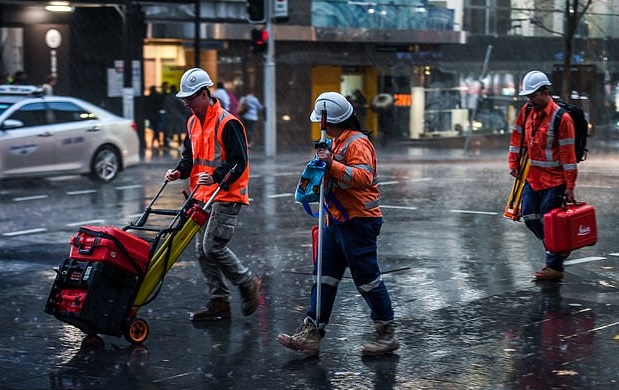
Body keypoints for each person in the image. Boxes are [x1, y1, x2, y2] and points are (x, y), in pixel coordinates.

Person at [277, 91, 399, 357]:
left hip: (358, 222)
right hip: (335, 220)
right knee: (323, 277)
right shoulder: (336, 142)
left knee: (367, 279)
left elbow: (363, 177)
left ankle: (386, 332)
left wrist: (331, 164)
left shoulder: (358, 143)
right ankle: (312, 332)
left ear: (330, 121)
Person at [164, 68, 262, 321]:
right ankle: (219, 302)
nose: (186, 103)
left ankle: (248, 282)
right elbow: (191, 157)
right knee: (201, 251)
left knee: (212, 247)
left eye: (190, 97)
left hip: (226, 193)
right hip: (202, 194)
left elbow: (240, 161)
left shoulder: (228, 122)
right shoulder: (192, 121)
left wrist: (218, 177)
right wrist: (178, 171)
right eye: (184, 98)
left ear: (205, 94)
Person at [508, 70, 578, 281]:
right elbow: (517, 136)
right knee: (529, 217)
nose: (529, 100)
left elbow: (568, 155)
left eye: (532, 96)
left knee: (550, 222)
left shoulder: (562, 119)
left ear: (545, 92)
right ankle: (557, 247)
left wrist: (570, 186)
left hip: (555, 180)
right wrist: (513, 162)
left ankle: (554, 267)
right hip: (533, 177)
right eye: (527, 96)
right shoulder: (527, 110)